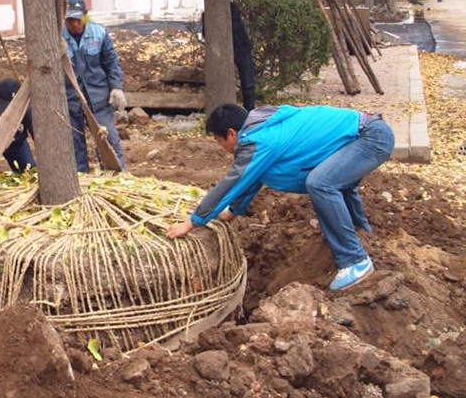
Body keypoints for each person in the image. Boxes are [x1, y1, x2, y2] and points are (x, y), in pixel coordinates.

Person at [167, 103, 394, 291]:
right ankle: (359, 231)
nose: (221, 147)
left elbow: (232, 182)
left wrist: (192, 222)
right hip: (366, 132)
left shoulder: (258, 141)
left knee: (320, 183)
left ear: (231, 133)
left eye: (219, 140)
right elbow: (253, 178)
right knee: (332, 180)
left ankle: (355, 261)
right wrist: (234, 211)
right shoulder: (261, 122)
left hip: (369, 138)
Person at [62, 0, 126, 172]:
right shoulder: (58, 37)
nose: (74, 24)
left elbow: (111, 62)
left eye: (77, 19)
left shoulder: (99, 33)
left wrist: (116, 87)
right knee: (75, 142)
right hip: (70, 98)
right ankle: (80, 176)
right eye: (70, 20)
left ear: (85, 15)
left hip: (98, 96)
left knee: (107, 137)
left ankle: (115, 174)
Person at [231, 1, 256, 111]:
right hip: (230, 49)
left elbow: (238, 28)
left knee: (247, 82)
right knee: (247, 81)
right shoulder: (207, 15)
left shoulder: (232, 8)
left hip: (241, 47)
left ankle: (249, 108)